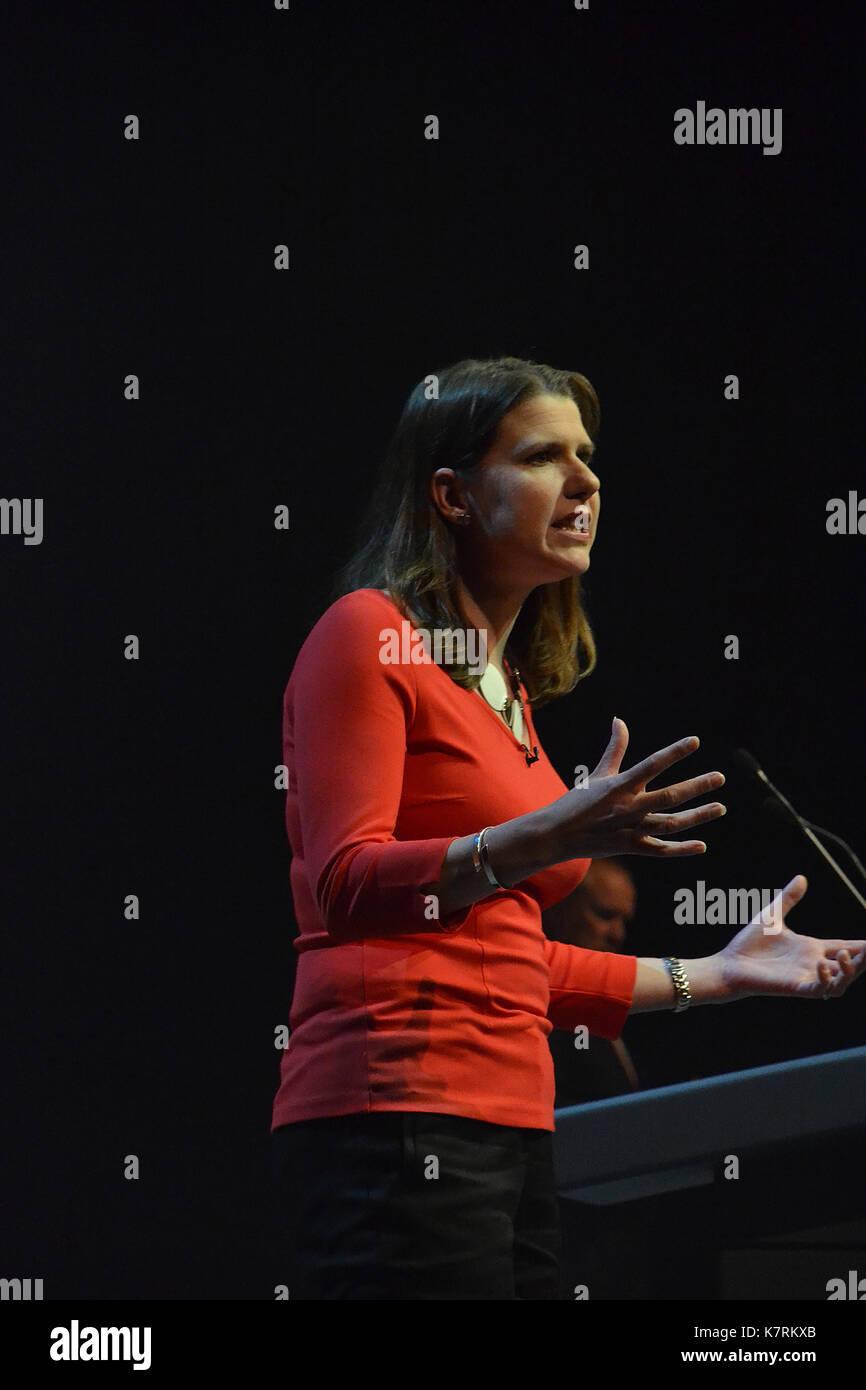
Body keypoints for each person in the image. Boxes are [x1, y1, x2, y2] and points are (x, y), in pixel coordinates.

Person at [269, 355, 865, 1301]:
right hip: (396, 1117)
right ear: (453, 494)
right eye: (545, 456)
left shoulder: (512, 706)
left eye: (587, 456)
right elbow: (345, 885)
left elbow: (511, 961)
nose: (586, 481)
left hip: (516, 1125)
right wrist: (544, 837)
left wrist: (719, 974)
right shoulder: (368, 634)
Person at [543, 858, 641, 1106]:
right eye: (605, 915)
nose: (618, 934)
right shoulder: (532, 1005)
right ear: (559, 907)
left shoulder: (608, 1004)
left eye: (624, 921)